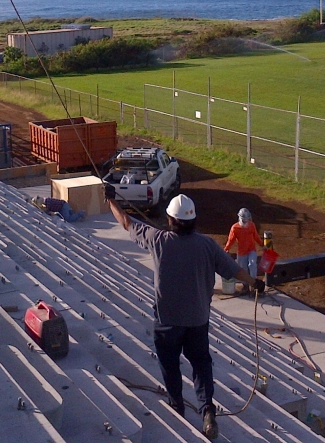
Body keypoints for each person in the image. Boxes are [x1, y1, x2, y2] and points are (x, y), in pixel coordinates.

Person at [106, 188, 264, 439]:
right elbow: (233, 270)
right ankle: (207, 410)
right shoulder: (207, 246)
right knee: (201, 365)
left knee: (170, 365)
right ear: (193, 221)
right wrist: (255, 282)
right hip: (198, 320)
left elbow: (126, 222)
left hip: (167, 321)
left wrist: (110, 199)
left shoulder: (157, 240)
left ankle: (177, 405)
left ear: (170, 220)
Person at [224, 208, 262, 294]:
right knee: (243, 269)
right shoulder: (235, 228)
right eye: (244, 221)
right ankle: (245, 286)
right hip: (241, 252)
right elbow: (231, 240)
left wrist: (262, 245)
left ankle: (254, 285)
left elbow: (256, 236)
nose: (246, 223)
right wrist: (226, 249)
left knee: (252, 264)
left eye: (247, 220)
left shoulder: (252, 225)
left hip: (251, 250)